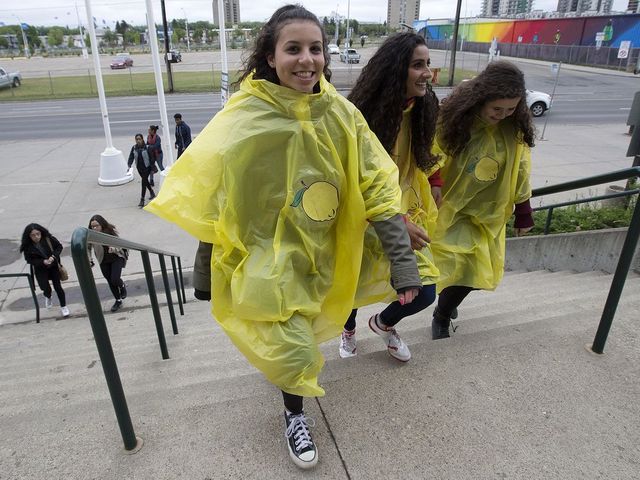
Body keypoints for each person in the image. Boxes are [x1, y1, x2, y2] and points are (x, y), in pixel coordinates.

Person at [146, 4, 421, 470]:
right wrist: (204, 268)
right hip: (264, 258)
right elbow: (215, 197)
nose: (306, 59)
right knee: (295, 352)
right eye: (293, 48)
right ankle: (294, 416)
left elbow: (377, 183)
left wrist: (401, 258)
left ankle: (289, 384)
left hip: (322, 252)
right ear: (270, 56)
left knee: (303, 339)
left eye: (316, 48)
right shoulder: (244, 117)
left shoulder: (342, 115)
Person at [338, 32, 441, 361]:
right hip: (365, 219)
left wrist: (435, 182)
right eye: (417, 65)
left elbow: (429, 150)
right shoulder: (359, 116)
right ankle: (348, 329)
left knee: (425, 291)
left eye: (428, 64)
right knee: (351, 288)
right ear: (396, 70)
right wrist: (393, 221)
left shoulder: (425, 107)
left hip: (408, 215)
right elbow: (349, 182)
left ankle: (383, 324)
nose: (427, 72)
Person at [430, 60, 535, 340]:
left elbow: (521, 169)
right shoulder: (454, 121)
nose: (503, 115)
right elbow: (432, 153)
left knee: (475, 276)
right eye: (497, 109)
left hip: (490, 215)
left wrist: (524, 212)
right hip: (453, 210)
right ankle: (443, 311)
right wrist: (434, 182)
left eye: (511, 109)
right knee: (454, 267)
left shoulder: (513, 129)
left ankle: (444, 309)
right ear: (481, 99)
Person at [19, 223, 70, 318]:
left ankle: (63, 306)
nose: (36, 237)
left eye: (38, 234)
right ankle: (48, 295)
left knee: (58, 287)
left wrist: (53, 257)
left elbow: (59, 247)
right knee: (44, 287)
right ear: (29, 236)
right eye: (33, 235)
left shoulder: (48, 239)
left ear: (41, 232)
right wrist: (43, 262)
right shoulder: (28, 246)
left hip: (53, 266)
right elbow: (29, 260)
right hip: (40, 269)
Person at [88, 215, 128, 313]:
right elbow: (87, 248)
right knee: (110, 281)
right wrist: (89, 258)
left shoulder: (109, 232)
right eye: (92, 226)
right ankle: (118, 300)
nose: (94, 228)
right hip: (103, 260)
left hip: (116, 258)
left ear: (101, 224)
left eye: (96, 226)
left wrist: (114, 249)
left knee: (115, 279)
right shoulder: (91, 235)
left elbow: (121, 245)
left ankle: (122, 285)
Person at [127, 133, 156, 208]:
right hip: (139, 168)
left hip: (147, 168)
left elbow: (152, 158)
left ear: (142, 139)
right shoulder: (134, 148)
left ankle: (142, 199)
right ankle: (152, 192)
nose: (138, 140)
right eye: (137, 139)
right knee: (145, 181)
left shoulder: (147, 147)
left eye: (139, 139)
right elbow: (131, 157)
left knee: (143, 182)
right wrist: (129, 165)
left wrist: (152, 167)